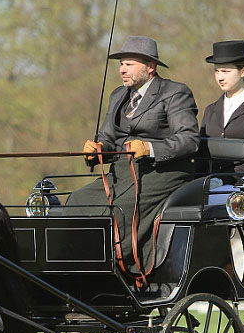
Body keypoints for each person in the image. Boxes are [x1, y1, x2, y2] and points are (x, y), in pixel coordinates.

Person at [65, 35, 199, 281]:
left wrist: (149, 148)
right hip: (123, 172)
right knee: (75, 201)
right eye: (121, 64)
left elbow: (189, 140)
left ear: (150, 67)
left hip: (163, 173)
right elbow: (106, 138)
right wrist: (96, 149)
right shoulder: (118, 95)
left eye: (129, 64)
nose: (122, 70)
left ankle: (116, 271)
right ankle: (75, 269)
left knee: (117, 210)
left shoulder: (174, 93)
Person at [200, 40, 244, 175]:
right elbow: (201, 155)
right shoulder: (210, 110)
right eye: (217, 71)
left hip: (241, 187)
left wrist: (225, 179)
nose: (220, 77)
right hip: (208, 186)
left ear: (243, 71)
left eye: (225, 71)